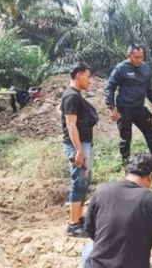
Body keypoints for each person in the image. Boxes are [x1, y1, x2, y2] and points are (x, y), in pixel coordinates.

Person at [82, 154, 152, 268]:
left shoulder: (101, 190)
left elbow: (90, 229)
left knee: (89, 248)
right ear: (150, 176)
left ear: (126, 172)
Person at [105, 43, 152, 162]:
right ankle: (126, 162)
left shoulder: (145, 68)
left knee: (151, 133)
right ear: (129, 55)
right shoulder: (121, 69)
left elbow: (149, 88)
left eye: (141, 57)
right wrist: (111, 107)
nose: (139, 60)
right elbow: (109, 87)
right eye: (136, 57)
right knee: (126, 138)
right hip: (124, 109)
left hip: (139, 108)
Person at [60, 63, 98, 238]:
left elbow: (62, 113)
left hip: (83, 143)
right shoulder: (71, 97)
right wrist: (79, 150)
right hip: (79, 145)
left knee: (84, 181)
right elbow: (70, 124)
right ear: (79, 75)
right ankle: (73, 224)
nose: (89, 80)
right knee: (79, 182)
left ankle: (78, 218)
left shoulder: (73, 96)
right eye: (88, 77)